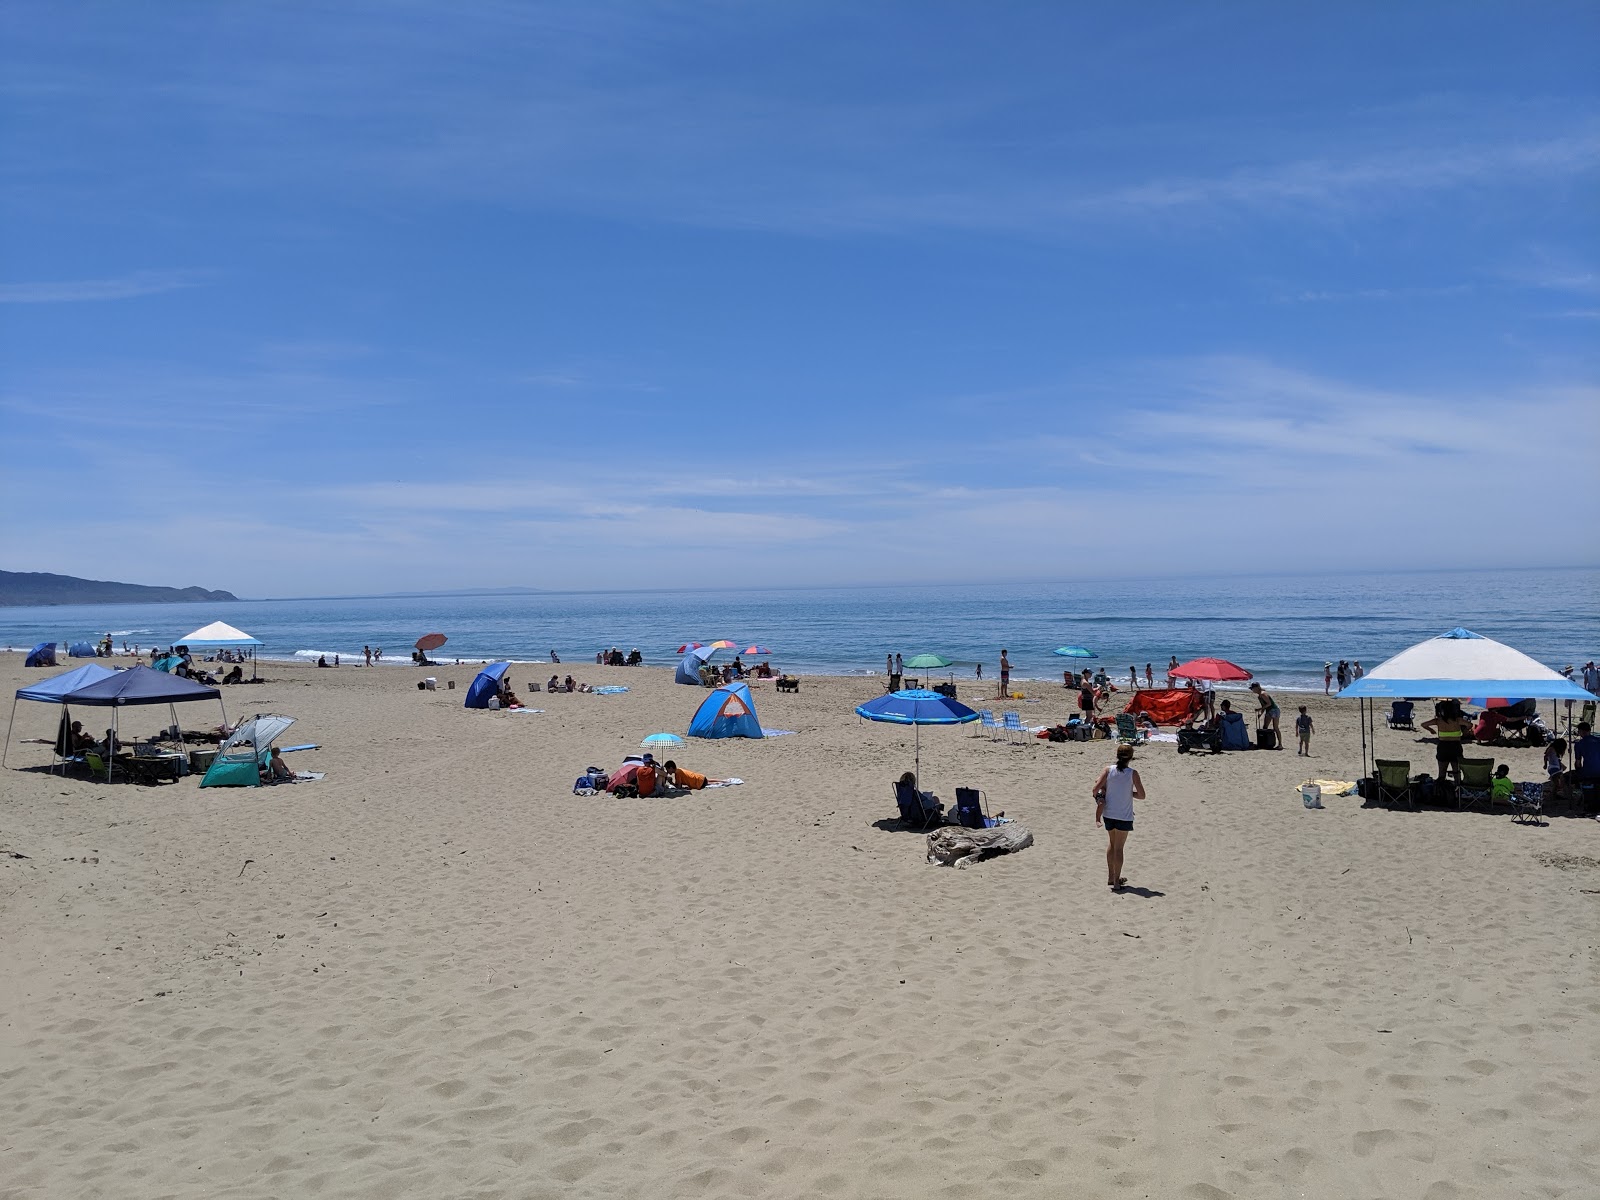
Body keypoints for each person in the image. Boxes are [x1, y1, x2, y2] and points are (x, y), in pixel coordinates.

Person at [1092, 742, 1145, 891]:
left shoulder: (1108, 770)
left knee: (1112, 844)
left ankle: (1110, 876)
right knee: (1119, 848)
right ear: (1131, 757)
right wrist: (1129, 793)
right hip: (1124, 815)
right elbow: (1142, 795)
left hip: (1109, 813)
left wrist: (1101, 797)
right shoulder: (1132, 773)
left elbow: (1095, 789)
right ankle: (1116, 881)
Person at [1422, 700, 1471, 784]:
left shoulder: (1438, 720)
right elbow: (1470, 725)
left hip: (1443, 746)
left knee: (1442, 773)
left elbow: (1423, 724)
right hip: (1455, 746)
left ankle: (1441, 791)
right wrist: (1465, 731)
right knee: (1456, 772)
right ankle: (1457, 789)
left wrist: (1431, 730)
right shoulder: (1458, 720)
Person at [1248, 682, 1281, 748]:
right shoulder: (1259, 696)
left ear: (1257, 688)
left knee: (1274, 727)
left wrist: (1259, 709)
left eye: (1253, 689)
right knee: (1266, 727)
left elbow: (1269, 704)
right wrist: (1260, 713)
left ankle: (1280, 744)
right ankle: (1265, 743)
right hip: (1270, 710)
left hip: (1273, 710)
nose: (1252, 690)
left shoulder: (1263, 694)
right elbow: (1264, 705)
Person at [662, 760, 731, 790]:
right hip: (700, 777)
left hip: (698, 783)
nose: (667, 771)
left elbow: (679, 787)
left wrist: (671, 783)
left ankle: (722, 782)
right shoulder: (679, 770)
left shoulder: (677, 773)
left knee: (709, 783)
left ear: (671, 768)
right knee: (708, 781)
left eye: (667, 769)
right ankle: (724, 781)